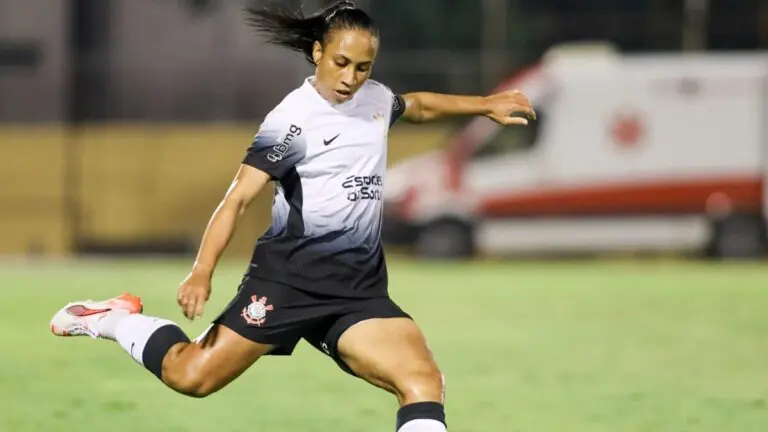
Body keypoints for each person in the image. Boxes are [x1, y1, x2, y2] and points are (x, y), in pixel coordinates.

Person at [49, 1, 535, 431]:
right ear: (318, 53)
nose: (351, 78)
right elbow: (237, 199)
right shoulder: (292, 121)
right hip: (287, 284)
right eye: (341, 63)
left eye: (363, 67)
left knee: (423, 382)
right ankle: (113, 319)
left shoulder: (373, 100)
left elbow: (418, 106)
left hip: (357, 292)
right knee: (191, 376)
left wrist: (484, 105)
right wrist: (202, 270)